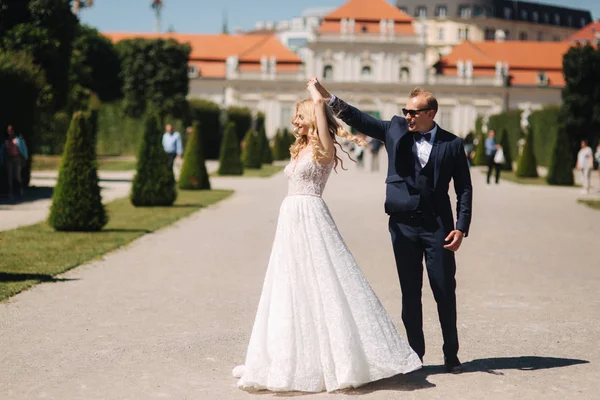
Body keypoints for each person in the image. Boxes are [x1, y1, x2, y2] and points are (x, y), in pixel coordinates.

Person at [233, 78, 422, 393]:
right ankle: (279, 357)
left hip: (310, 215)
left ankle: (342, 359)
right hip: (290, 218)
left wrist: (315, 92)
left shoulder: (323, 147)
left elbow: (321, 107)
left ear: (311, 117)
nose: (294, 121)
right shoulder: (302, 147)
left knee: (325, 281)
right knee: (288, 284)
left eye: (298, 116)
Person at [314, 80, 472, 373]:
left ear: (431, 113)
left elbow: (464, 189)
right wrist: (330, 98)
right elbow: (359, 119)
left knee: (444, 289)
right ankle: (416, 356)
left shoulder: (452, 144)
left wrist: (461, 227)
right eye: (406, 111)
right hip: (402, 225)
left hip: (439, 227)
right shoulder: (394, 129)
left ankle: (452, 354)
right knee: (410, 292)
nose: (408, 116)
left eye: (414, 112)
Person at [4, 125, 28, 199]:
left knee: (17, 175)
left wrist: (25, 158)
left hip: (17, 158)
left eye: (11, 130)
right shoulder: (6, 140)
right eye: (8, 131)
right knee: (9, 176)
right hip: (9, 159)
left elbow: (23, 149)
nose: (10, 132)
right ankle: (10, 192)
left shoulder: (18, 139)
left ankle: (20, 190)